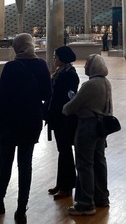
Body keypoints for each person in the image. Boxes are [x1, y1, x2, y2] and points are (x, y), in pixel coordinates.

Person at [0, 34, 52, 224]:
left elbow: (2, 98)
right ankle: (21, 209)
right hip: (31, 122)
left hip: (9, 122)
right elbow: (47, 94)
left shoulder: (11, 67)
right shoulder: (41, 65)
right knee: (25, 165)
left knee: (5, 164)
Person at [62, 54, 112, 216]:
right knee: (99, 161)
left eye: (87, 64)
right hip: (101, 126)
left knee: (84, 164)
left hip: (87, 126)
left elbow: (73, 106)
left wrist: (66, 106)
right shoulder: (106, 82)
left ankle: (85, 203)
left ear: (93, 67)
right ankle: (102, 197)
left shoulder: (90, 84)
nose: (84, 67)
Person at [46, 46, 79, 200]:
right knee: (62, 151)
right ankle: (62, 182)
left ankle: (67, 185)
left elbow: (66, 97)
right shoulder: (61, 72)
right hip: (57, 117)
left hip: (64, 118)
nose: (54, 59)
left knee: (65, 151)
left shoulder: (69, 75)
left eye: (56, 56)